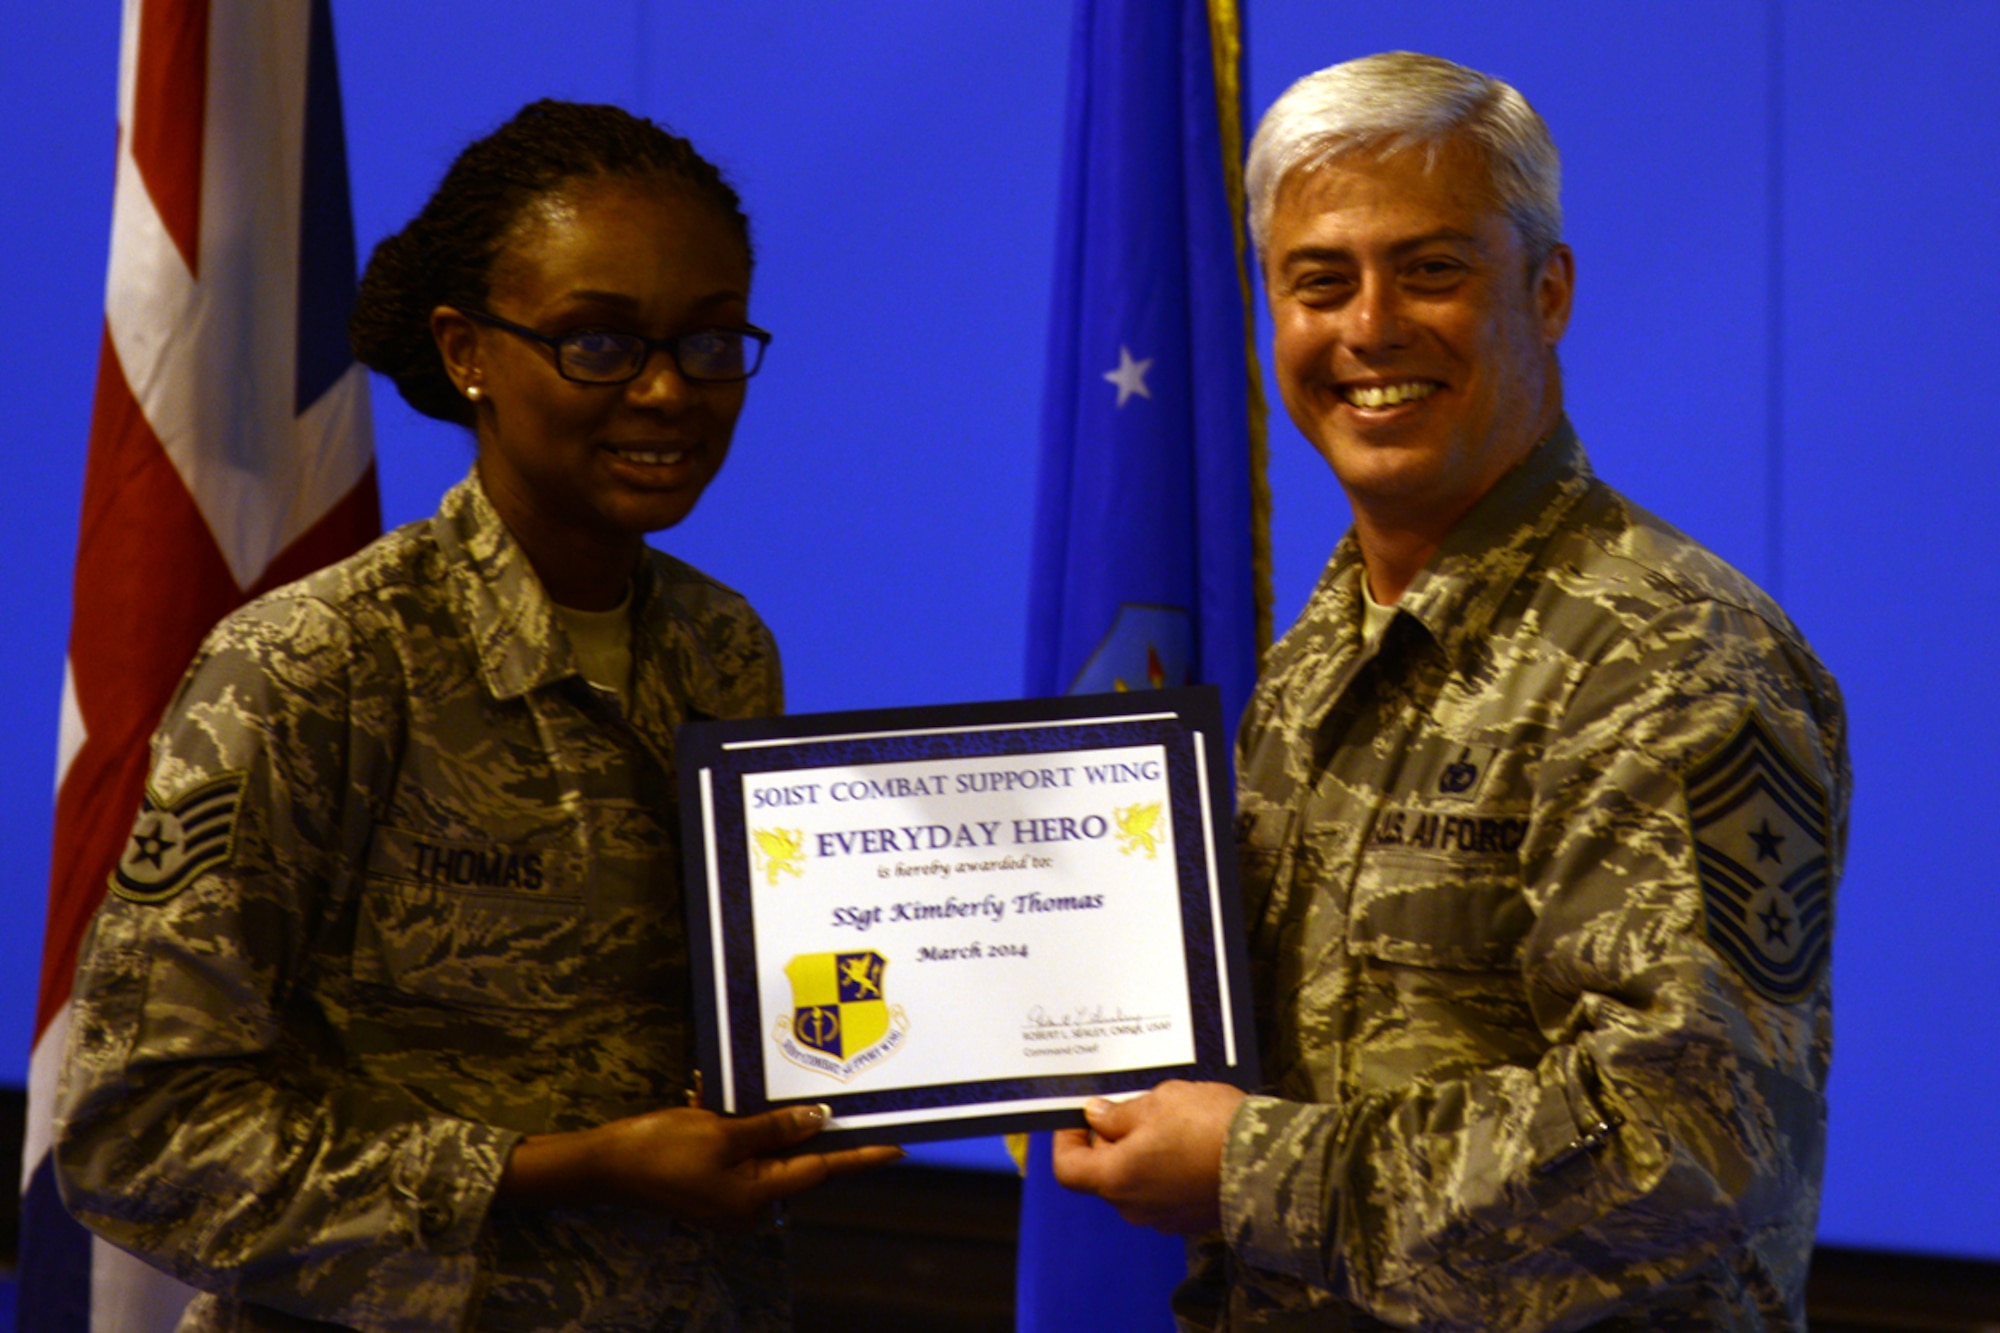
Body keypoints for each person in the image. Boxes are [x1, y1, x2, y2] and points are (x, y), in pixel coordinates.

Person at [54, 99, 898, 1332]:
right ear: (467, 352)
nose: (667, 391)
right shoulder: (316, 664)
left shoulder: (723, 648)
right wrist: (558, 1168)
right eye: (598, 343)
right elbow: (139, 1136)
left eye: (711, 343)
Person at [1052, 52, 1849, 1331]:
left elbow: (1689, 1139)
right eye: (1319, 281)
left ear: (1547, 292)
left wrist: (1249, 1167)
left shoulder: (1672, 655)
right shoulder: (1327, 639)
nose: (1368, 328)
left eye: (1430, 269)